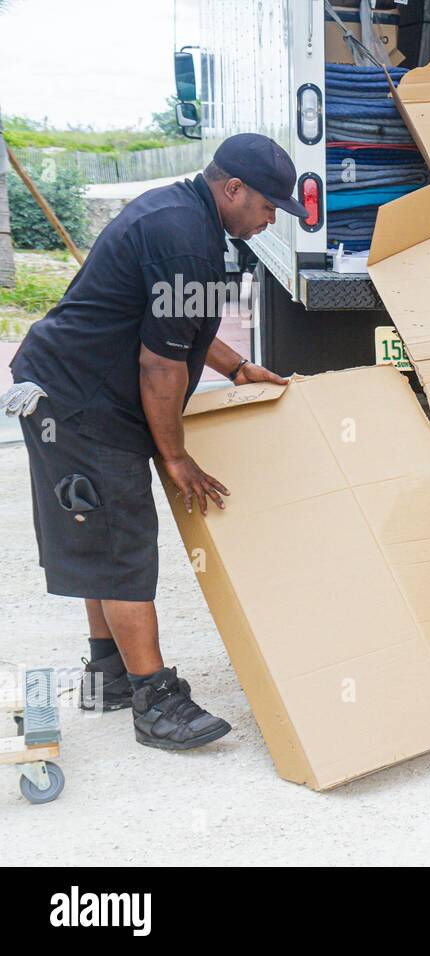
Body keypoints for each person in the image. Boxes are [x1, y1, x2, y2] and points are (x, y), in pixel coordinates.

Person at [3, 134, 308, 749]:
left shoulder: (180, 214)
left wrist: (236, 368)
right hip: (78, 400)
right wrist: (173, 456)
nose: (272, 217)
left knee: (98, 533)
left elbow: (179, 323)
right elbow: (160, 365)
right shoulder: (186, 239)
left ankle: (109, 673)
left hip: (72, 386)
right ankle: (154, 699)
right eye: (269, 205)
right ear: (233, 190)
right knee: (121, 541)